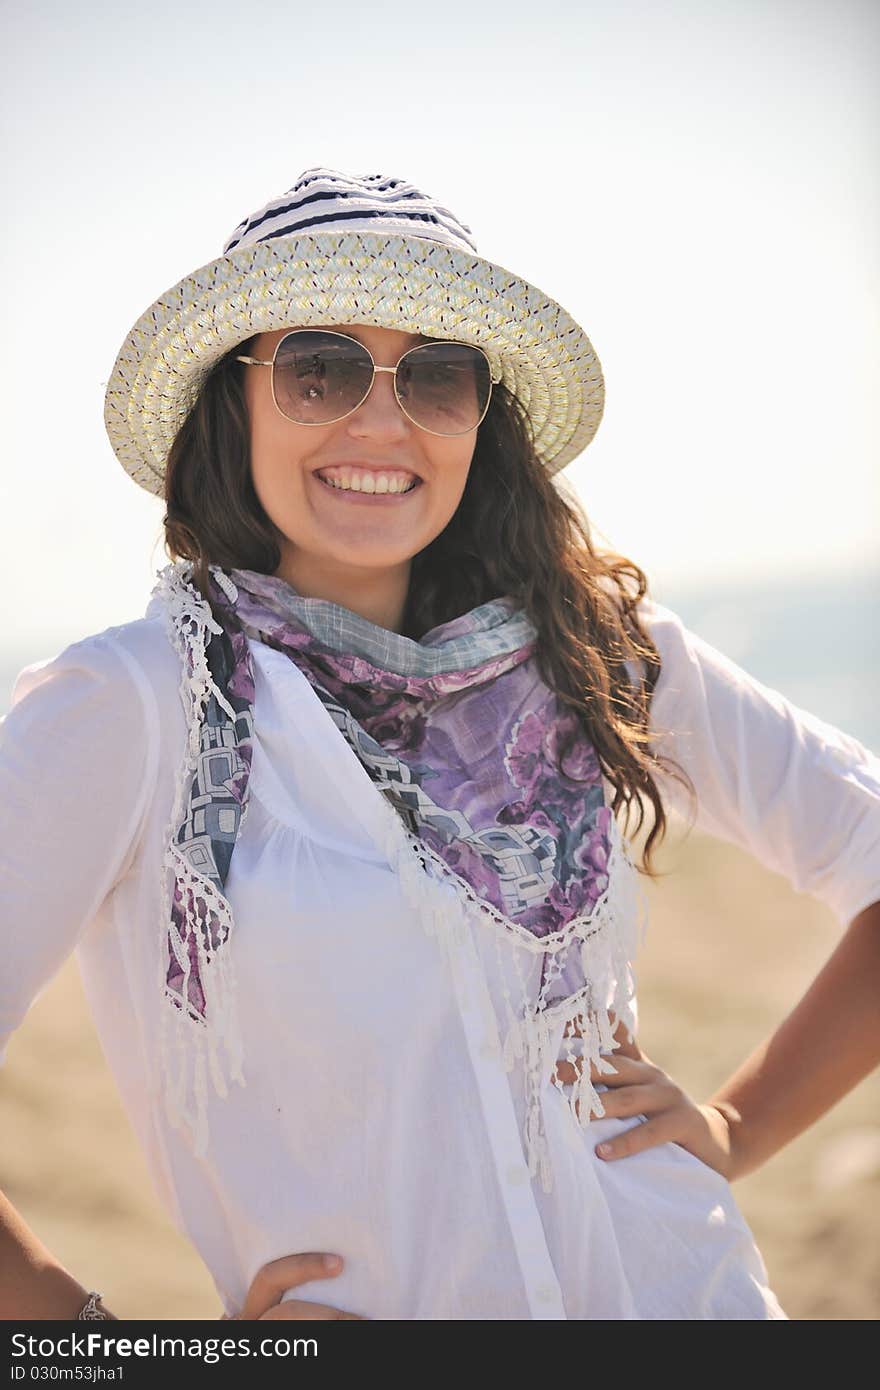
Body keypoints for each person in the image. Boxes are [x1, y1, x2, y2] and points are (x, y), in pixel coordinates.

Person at [1, 167, 879, 1323]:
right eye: (318, 370)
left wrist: (735, 1123)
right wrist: (104, 1347)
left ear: (480, 414)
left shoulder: (595, 649)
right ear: (235, 402)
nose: (382, 421)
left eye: (436, 375)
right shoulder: (135, 702)